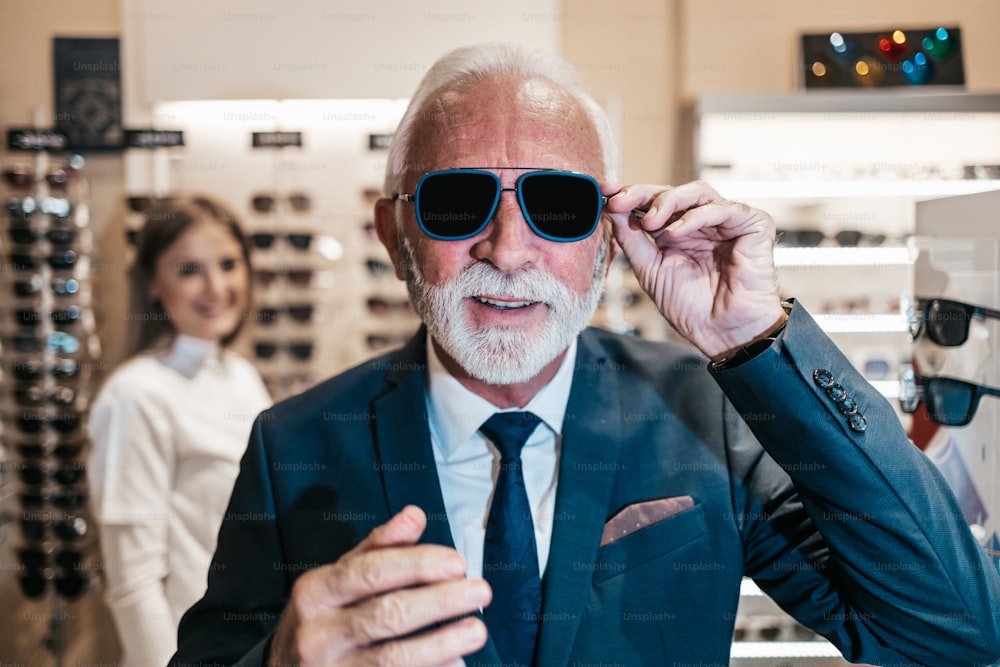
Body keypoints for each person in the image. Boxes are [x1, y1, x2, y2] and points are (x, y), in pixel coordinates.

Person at [171, 44, 1000, 667]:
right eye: (458, 202)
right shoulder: (298, 445)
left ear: (608, 241)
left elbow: (956, 630)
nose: (507, 249)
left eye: (556, 205)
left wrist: (761, 344)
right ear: (395, 238)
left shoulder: (706, 413)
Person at [88, 196, 271, 667]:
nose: (216, 286)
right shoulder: (134, 395)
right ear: (152, 283)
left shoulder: (240, 375)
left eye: (228, 264)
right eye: (189, 269)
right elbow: (133, 581)